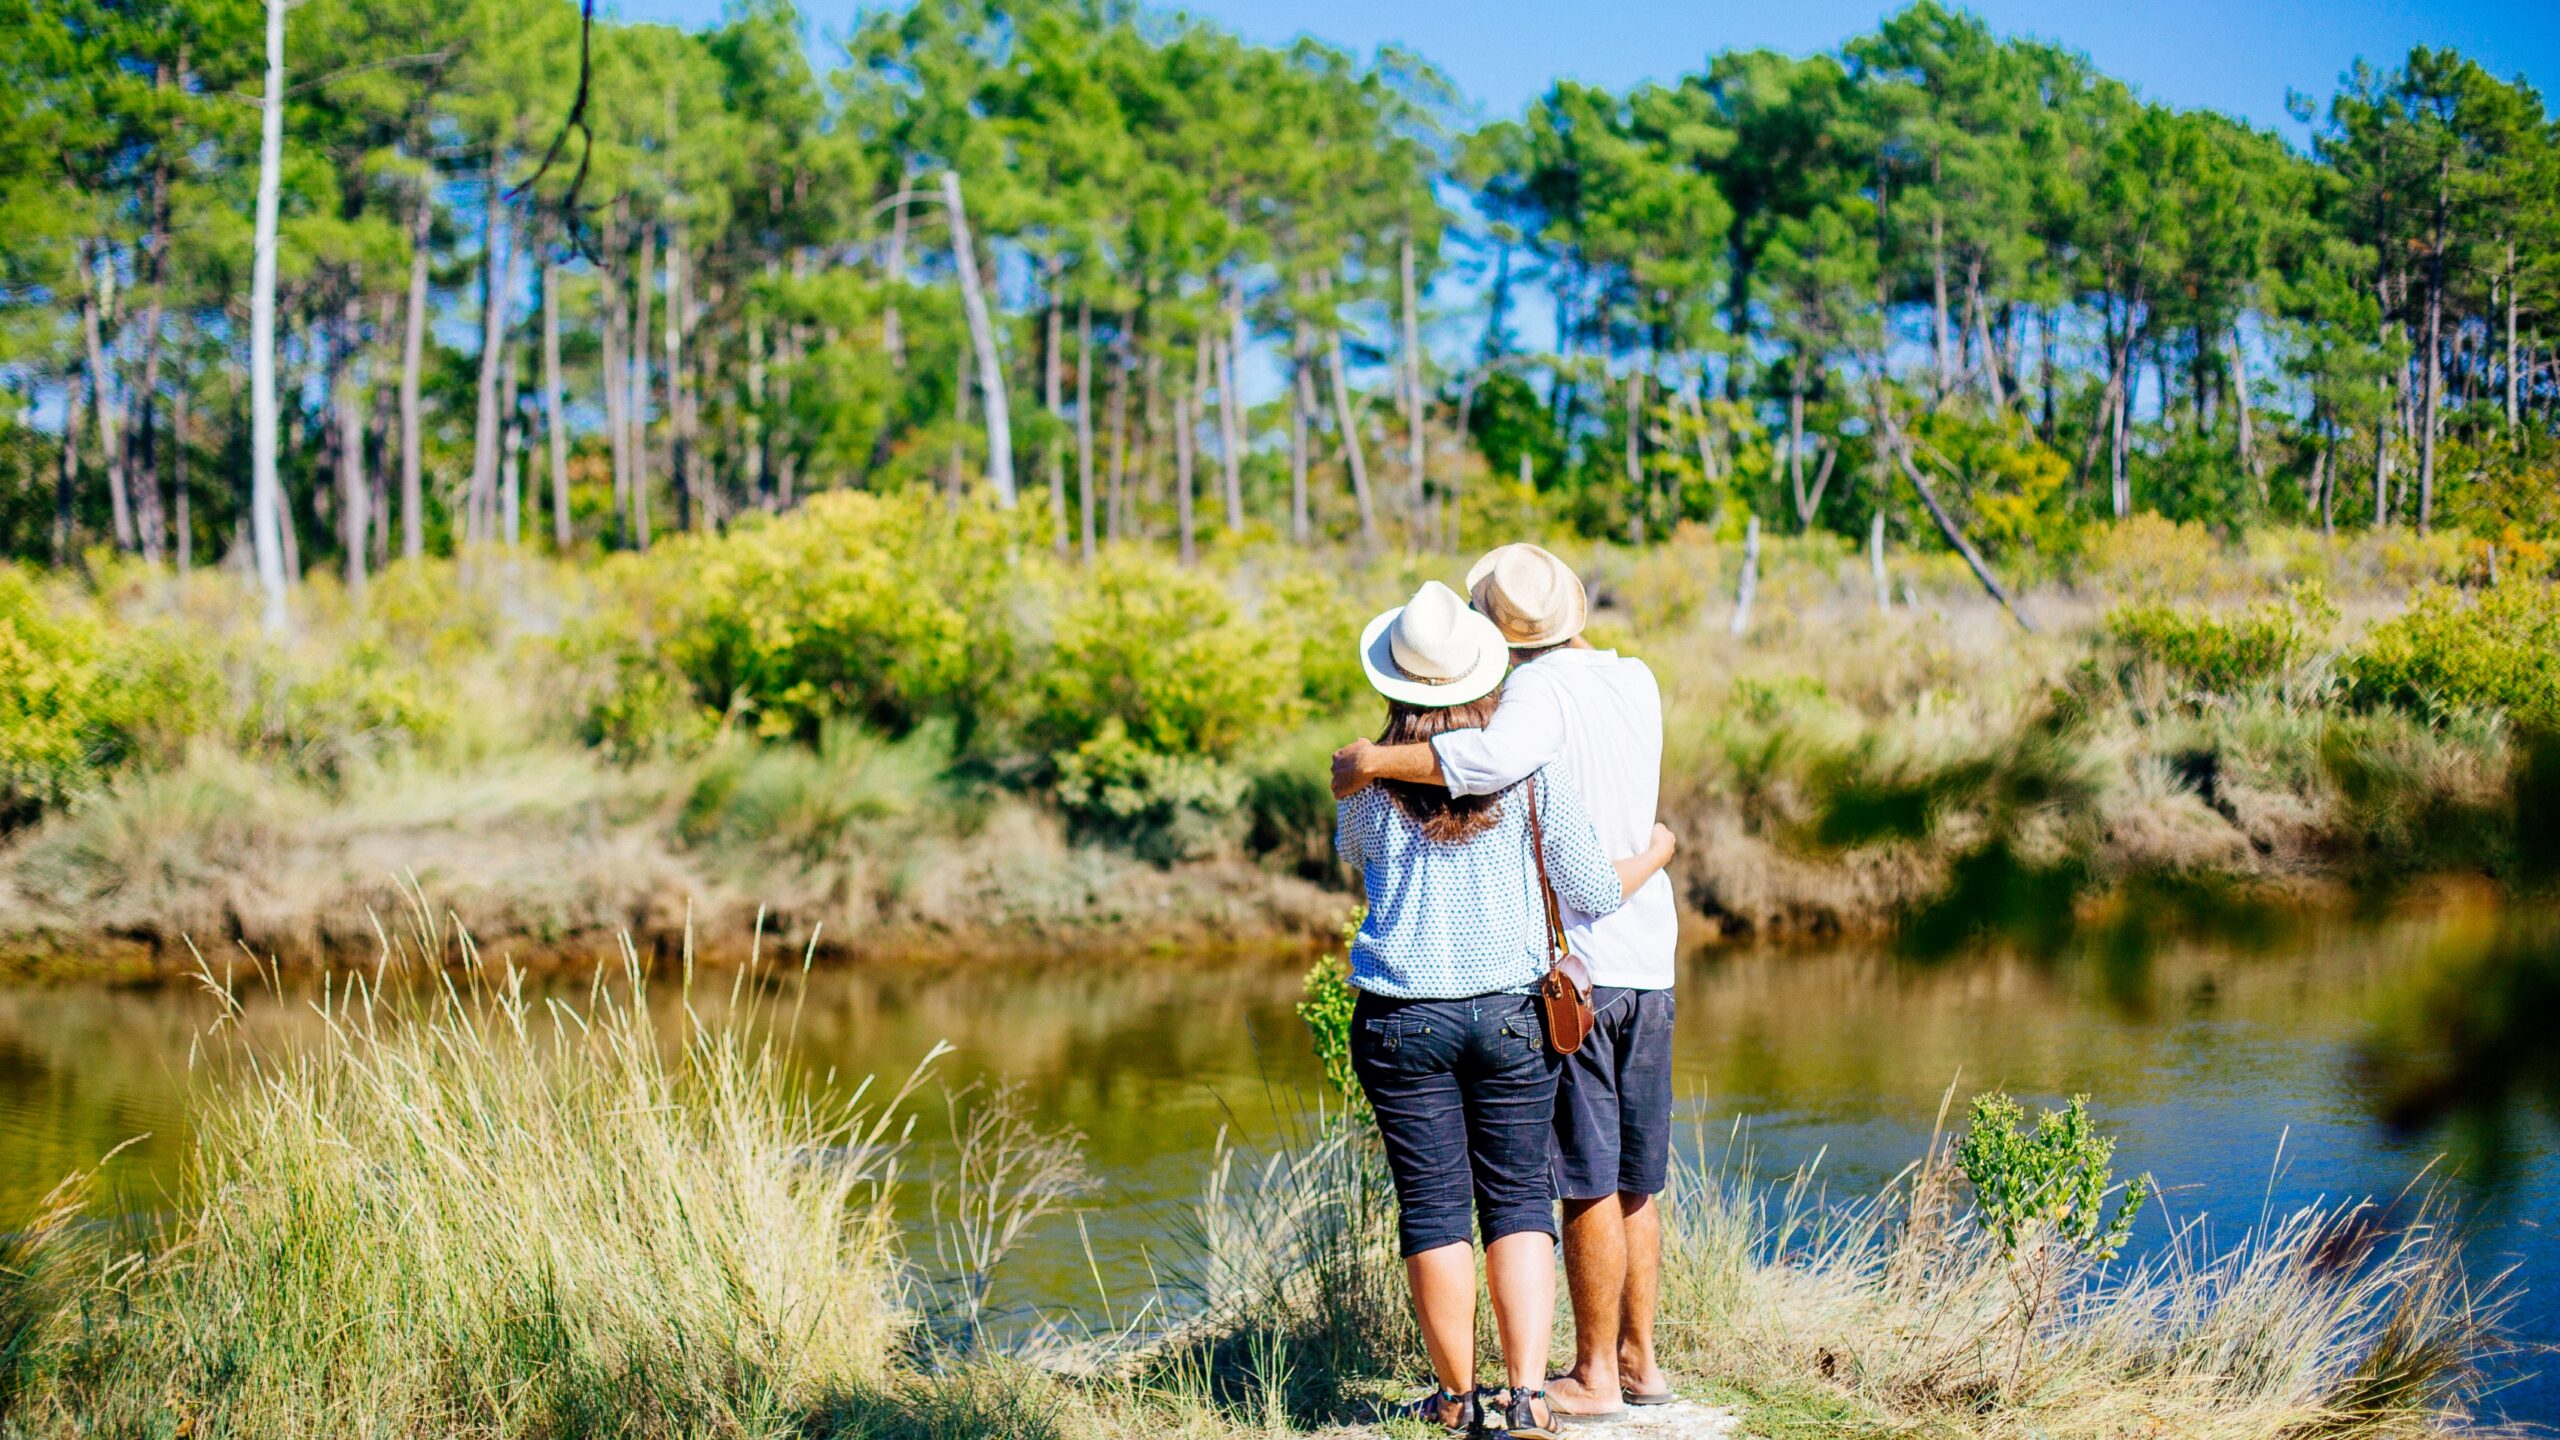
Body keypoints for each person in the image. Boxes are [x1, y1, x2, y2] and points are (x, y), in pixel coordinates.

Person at [1333, 543, 1680, 1420]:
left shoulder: (1365, 782)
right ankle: (1527, 1397)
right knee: (1524, 1199)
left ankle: (1459, 1401)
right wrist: (1663, 850)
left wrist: (1373, 765)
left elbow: (1356, 862)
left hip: (1403, 1013)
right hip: (1518, 1009)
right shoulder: (1549, 756)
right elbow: (1594, 887)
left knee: (1435, 1209)